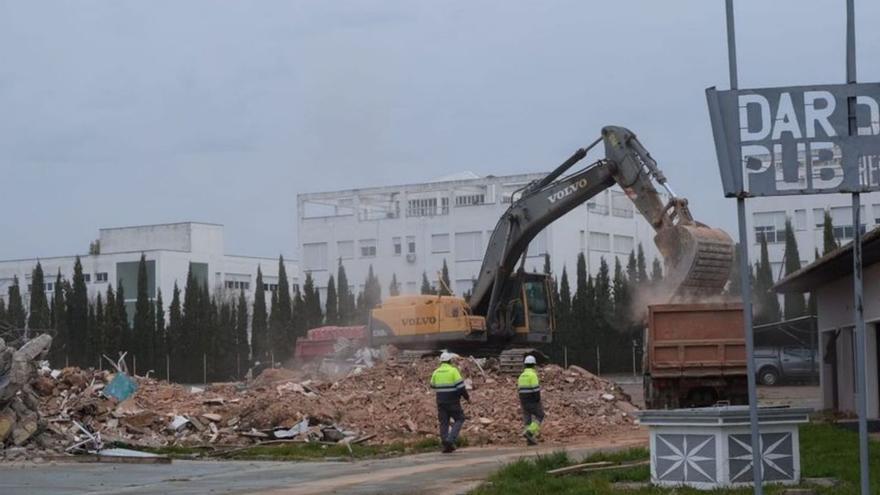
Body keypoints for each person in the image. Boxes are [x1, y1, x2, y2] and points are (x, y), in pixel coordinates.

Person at [430, 351, 469, 453]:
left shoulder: (436, 372)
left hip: (440, 402)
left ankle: (445, 445)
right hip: (453, 401)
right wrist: (467, 398)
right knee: (460, 419)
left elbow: (432, 385)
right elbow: (461, 388)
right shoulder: (453, 371)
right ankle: (450, 440)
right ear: (450, 361)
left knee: (444, 422)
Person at [518, 355, 544, 446]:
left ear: (525, 365)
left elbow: (520, 390)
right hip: (532, 400)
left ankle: (529, 440)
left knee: (527, 419)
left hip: (523, 401)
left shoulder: (521, 376)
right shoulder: (533, 375)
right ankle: (529, 432)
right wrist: (538, 400)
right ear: (534, 365)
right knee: (540, 415)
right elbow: (536, 389)